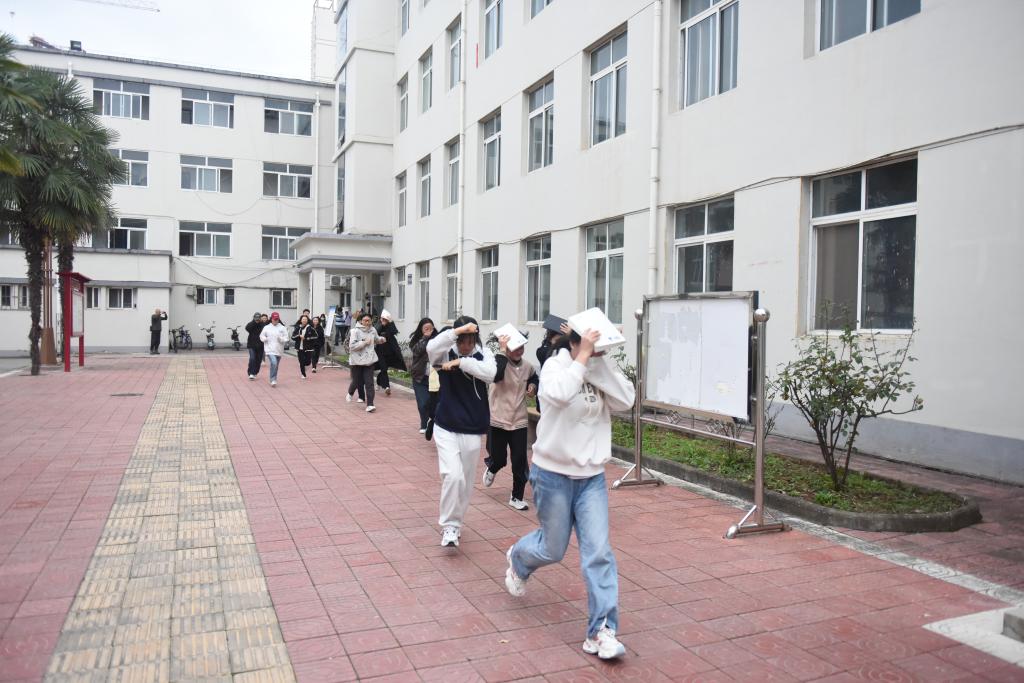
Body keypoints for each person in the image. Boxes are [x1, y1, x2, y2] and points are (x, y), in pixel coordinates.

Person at [504, 327, 635, 661]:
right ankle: (519, 558)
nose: (599, 353)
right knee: (553, 548)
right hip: (552, 475)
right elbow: (559, 394)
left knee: (599, 553)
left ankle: (601, 631)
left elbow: (626, 400)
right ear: (575, 342)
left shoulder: (597, 369)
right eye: (593, 346)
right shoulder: (555, 366)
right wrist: (582, 359)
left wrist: (598, 364)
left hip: (591, 477)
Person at [427, 316, 496, 548]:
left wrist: (462, 363)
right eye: (461, 341)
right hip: (446, 425)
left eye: (470, 341)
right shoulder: (445, 352)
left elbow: (491, 374)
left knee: (465, 481)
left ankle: (457, 523)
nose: (465, 346)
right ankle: (449, 525)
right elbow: (431, 348)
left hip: (473, 428)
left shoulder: (484, 354)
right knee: (453, 475)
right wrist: (456, 332)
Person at [483, 333, 539, 511]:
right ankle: (493, 467)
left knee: (520, 460)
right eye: (514, 347)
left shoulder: (527, 366)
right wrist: (501, 351)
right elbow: (496, 375)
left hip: (519, 420)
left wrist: (532, 386)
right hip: (498, 418)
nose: (519, 351)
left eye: (521, 347)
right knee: (499, 458)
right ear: (506, 348)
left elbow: (534, 377)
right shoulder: (497, 362)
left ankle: (516, 496)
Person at [347, 312, 384, 412]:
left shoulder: (373, 330)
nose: (367, 322)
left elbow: (376, 339)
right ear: (361, 321)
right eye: (365, 320)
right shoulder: (355, 331)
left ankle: (370, 404)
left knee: (369, 382)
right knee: (356, 381)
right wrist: (364, 343)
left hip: (369, 360)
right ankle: (350, 392)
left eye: (369, 320)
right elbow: (352, 346)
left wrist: (381, 339)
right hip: (357, 360)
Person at [408, 318, 437, 433]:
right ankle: (424, 424)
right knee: (423, 402)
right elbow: (417, 351)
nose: (429, 331)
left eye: (431, 328)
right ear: (421, 329)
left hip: (434, 377)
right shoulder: (416, 340)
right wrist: (425, 338)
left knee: (432, 402)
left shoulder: (438, 339)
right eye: (426, 329)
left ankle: (432, 422)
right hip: (419, 376)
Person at [375, 310, 407, 396]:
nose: (384, 320)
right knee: (383, 368)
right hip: (380, 352)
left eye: (386, 319)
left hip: (390, 352)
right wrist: (382, 324)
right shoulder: (378, 325)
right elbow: (376, 332)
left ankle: (378, 381)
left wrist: (390, 322)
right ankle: (387, 387)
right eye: (383, 319)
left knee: (384, 368)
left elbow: (394, 331)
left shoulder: (390, 326)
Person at [259, 312, 289, 387]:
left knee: (275, 365)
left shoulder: (282, 327)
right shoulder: (267, 327)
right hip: (269, 349)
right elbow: (261, 336)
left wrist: (281, 339)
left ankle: (274, 379)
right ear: (271, 319)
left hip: (279, 350)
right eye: (274, 319)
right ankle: (272, 379)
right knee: (274, 363)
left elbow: (286, 338)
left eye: (277, 319)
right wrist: (265, 339)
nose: (275, 320)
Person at [292, 314, 316, 379]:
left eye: (305, 319)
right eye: (303, 319)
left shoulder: (310, 328)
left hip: (308, 348)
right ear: (301, 320)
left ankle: (303, 364)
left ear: (307, 320)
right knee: (301, 361)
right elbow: (293, 337)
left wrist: (307, 338)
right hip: (299, 348)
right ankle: (303, 374)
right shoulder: (298, 328)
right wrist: (299, 336)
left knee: (308, 362)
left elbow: (315, 336)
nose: (304, 320)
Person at [244, 312, 265, 379]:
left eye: (258, 317)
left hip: (261, 345)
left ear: (260, 318)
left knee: (258, 360)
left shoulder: (263, 325)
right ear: (253, 317)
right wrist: (254, 322)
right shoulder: (251, 324)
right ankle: (251, 373)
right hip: (252, 345)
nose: (257, 319)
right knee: (252, 358)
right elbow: (247, 328)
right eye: (256, 317)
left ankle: (255, 372)